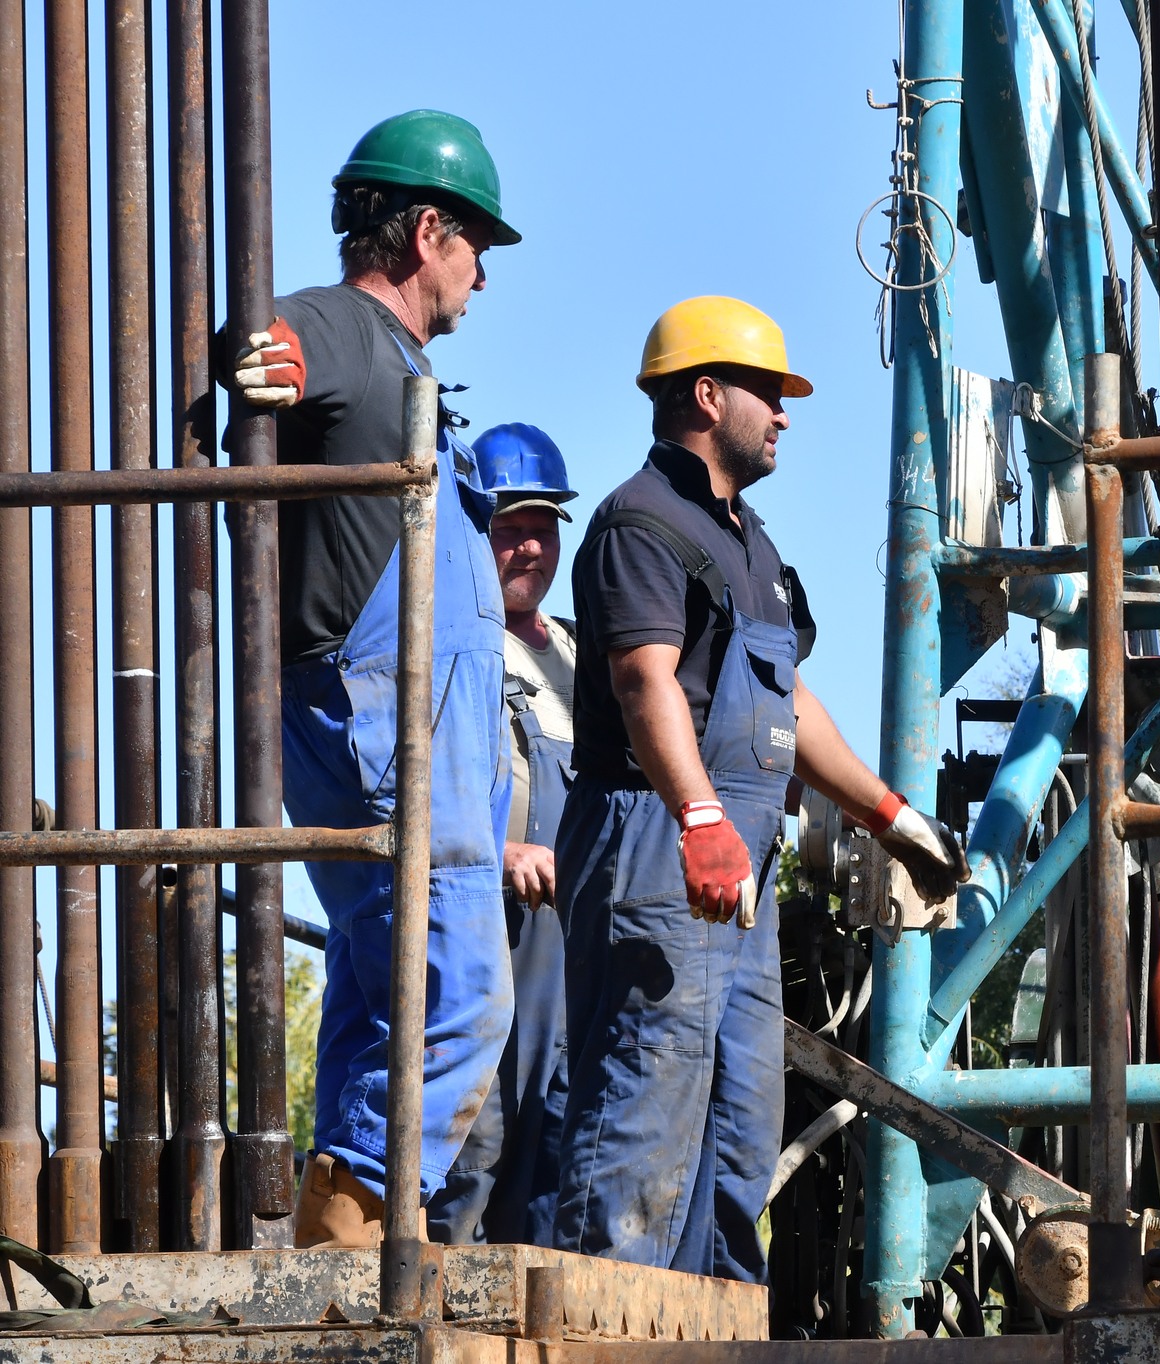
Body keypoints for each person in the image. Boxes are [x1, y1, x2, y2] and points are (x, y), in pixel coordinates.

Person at [552, 297, 969, 1278]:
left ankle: (716, 1330)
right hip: (660, 842)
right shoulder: (640, 523)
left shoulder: (754, 546)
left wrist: (890, 816)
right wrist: (699, 816)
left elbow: (790, 701)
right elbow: (644, 679)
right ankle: (608, 1333)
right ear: (706, 395)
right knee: (644, 1104)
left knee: (740, 1124)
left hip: (740, 862)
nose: (783, 414)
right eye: (768, 394)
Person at [222, 109, 523, 1246]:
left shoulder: (405, 369)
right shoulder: (349, 329)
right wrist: (256, 354)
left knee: (372, 989)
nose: (481, 275)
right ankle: (359, 1223)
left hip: (415, 718)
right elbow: (269, 338)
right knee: (461, 991)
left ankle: (332, 1237)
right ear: (426, 231)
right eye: (475, 244)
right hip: (382, 718)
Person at [427, 423, 578, 1246]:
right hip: (483, 914)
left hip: (570, 928)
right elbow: (408, 787)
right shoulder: (449, 645)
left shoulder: (581, 656)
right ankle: (446, 1288)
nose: (529, 548)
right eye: (509, 528)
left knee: (560, 1124)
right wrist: (499, 850)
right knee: (477, 1126)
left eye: (542, 528)